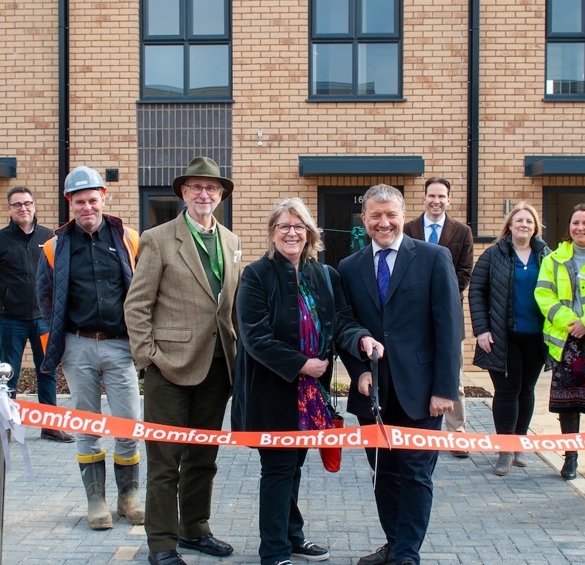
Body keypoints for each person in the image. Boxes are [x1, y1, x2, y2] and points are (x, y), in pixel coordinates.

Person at [233, 198, 383, 565]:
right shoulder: (255, 275)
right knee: (278, 468)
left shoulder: (325, 276)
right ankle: (274, 551)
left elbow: (343, 321)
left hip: (310, 393)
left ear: (310, 233)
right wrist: (303, 364)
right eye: (284, 226)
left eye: (299, 226)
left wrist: (360, 338)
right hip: (271, 391)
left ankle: (292, 537)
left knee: (294, 465)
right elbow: (254, 337)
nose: (292, 233)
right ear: (272, 233)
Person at [125, 157, 241, 565]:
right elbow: (137, 306)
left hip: (217, 366)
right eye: (196, 188)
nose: (204, 194)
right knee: (164, 461)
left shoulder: (230, 240)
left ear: (221, 195)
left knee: (203, 458)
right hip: (168, 368)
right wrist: (148, 360)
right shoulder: (157, 238)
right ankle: (161, 543)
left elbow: (231, 306)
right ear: (183, 193)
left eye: (211, 188)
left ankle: (195, 529)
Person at [339, 184, 462, 565]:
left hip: (423, 394)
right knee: (384, 474)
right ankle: (394, 544)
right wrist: (359, 369)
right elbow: (345, 325)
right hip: (374, 395)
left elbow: (450, 327)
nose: (384, 222)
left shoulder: (433, 257)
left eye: (391, 214)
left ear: (403, 216)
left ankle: (407, 554)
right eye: (375, 215)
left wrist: (445, 389)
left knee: (415, 475)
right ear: (364, 219)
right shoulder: (349, 266)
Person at [37, 166, 143, 531]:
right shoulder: (54, 246)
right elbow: (45, 297)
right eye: (79, 201)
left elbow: (143, 289)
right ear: (70, 202)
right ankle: (95, 500)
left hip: (119, 346)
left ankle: (128, 496)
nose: (87, 207)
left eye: (92, 200)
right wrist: (59, 344)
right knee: (87, 426)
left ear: (103, 197)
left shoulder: (129, 238)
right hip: (78, 346)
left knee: (128, 423)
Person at [0, 186, 73, 442]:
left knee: (48, 370)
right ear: (9, 209)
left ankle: (50, 425)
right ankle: (7, 425)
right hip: (11, 319)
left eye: (27, 203)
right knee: (9, 373)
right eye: (17, 204)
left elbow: (61, 274)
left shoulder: (50, 238)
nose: (23, 208)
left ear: (34, 206)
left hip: (44, 320)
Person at [468, 202, 550, 476]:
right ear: (510, 226)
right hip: (503, 337)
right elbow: (476, 292)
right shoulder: (494, 255)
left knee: (527, 391)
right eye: (519, 221)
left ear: (535, 226)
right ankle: (504, 451)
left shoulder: (546, 256)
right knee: (506, 392)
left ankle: (519, 444)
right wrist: (481, 329)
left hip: (537, 338)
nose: (523, 225)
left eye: (529, 221)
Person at [536, 204, 585, 481]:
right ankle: (571, 458)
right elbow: (544, 295)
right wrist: (571, 322)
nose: (580, 228)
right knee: (568, 404)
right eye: (575, 223)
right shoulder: (553, 259)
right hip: (566, 343)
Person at [403, 177, 474, 458]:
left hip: (449, 316)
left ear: (448, 199)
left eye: (441, 196)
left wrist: (438, 296)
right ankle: (420, 431)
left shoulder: (462, 232)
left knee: (452, 376)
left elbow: (464, 272)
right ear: (424, 198)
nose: (436, 201)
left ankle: (457, 434)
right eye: (431, 195)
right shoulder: (408, 229)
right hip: (413, 315)